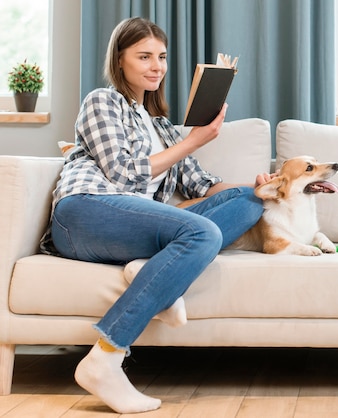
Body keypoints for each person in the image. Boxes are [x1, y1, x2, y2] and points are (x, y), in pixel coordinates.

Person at [39, 17, 270, 414]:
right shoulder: (102, 101)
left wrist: (262, 187)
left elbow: (202, 185)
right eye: (143, 56)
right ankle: (105, 356)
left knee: (251, 201)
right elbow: (123, 175)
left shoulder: (161, 126)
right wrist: (194, 139)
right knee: (201, 235)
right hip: (83, 212)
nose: (156, 66)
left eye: (161, 57)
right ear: (120, 60)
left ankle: (153, 265)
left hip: (134, 222)